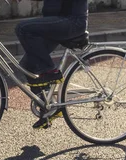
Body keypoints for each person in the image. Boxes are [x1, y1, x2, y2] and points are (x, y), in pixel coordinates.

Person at [14, 0, 88, 128]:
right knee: (28, 65)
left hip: (72, 22)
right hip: (57, 21)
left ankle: (49, 70)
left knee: (22, 28)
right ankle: (48, 106)